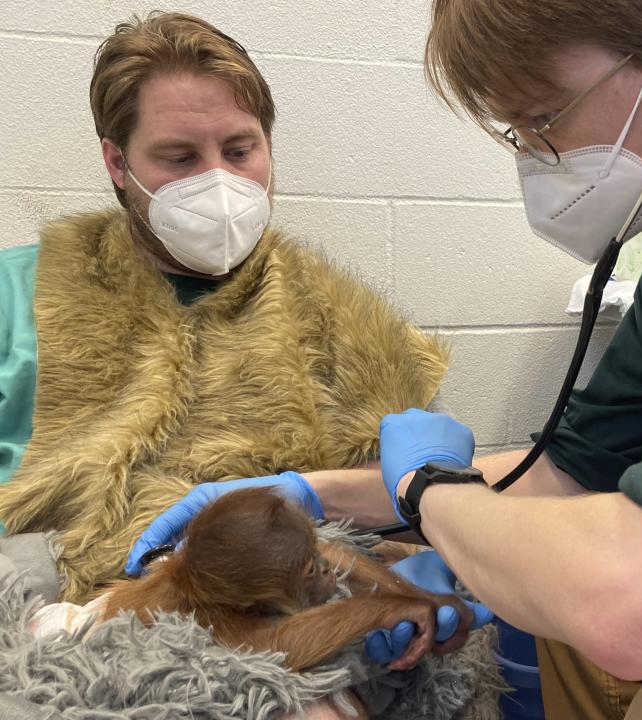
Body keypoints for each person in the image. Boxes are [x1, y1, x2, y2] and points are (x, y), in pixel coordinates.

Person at [133, 1, 642, 718]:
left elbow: (638, 606)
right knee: (560, 625)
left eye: (545, 119)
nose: (535, 160)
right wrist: (312, 494)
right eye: (518, 132)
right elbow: (567, 471)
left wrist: (430, 492)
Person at [0, 10, 499, 720]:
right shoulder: (20, 301)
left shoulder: (343, 321)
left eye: (240, 149)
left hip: (281, 615)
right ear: (118, 163)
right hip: (65, 620)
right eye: (178, 158)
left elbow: (415, 499)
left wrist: (402, 555)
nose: (219, 183)